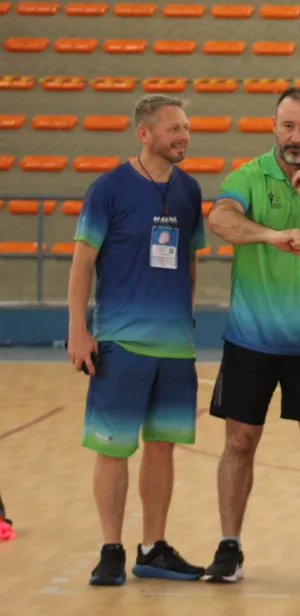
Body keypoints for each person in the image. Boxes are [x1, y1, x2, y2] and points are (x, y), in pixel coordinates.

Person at [203, 87, 300, 583]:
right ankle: (229, 546)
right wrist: (272, 235)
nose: (296, 136)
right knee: (239, 442)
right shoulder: (248, 175)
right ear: (274, 126)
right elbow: (221, 219)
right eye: (288, 125)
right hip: (249, 339)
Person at [67, 94, 205, 585]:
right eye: (173, 128)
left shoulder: (189, 190)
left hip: (175, 346)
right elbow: (83, 262)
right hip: (120, 342)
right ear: (144, 134)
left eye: (186, 127)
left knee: (163, 446)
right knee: (114, 447)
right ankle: (111, 548)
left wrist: (187, 320)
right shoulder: (108, 189)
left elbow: (189, 259)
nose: (183, 135)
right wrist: (78, 330)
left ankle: (154, 547)